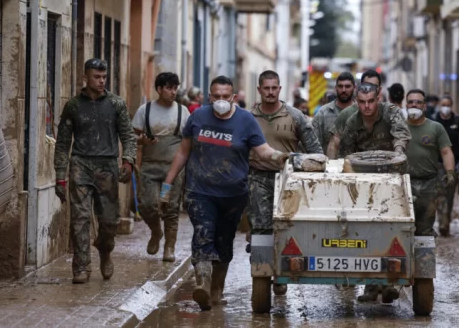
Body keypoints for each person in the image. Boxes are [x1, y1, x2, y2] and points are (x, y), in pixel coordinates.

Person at [163, 76, 291, 311]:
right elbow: (183, 153)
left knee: (224, 242)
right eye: (216, 96)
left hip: (233, 195)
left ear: (233, 97)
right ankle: (203, 282)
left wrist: (281, 157)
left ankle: (216, 291)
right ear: (210, 97)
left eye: (225, 96)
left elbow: (262, 150)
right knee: (203, 233)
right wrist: (167, 185)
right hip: (199, 190)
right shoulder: (197, 117)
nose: (221, 100)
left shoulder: (246, 120)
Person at [54, 58, 137, 284]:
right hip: (80, 164)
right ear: (85, 77)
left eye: (103, 77)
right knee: (80, 218)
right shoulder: (73, 106)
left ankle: (105, 250)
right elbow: (62, 143)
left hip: (107, 167)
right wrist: (60, 175)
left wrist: (128, 161)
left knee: (109, 221)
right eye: (96, 77)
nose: (101, 81)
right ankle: (81, 267)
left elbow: (128, 136)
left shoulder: (116, 104)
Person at [329, 81, 410, 302]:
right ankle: (372, 285)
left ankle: (389, 281)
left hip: (391, 179)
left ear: (379, 98)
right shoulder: (352, 121)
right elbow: (345, 154)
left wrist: (398, 155)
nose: (367, 107)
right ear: (357, 101)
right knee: (364, 231)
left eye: (371, 101)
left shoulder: (391, 113)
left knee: (393, 228)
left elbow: (401, 136)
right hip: (363, 183)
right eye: (362, 102)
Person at [248, 71, 322, 295]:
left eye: (274, 88)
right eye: (266, 88)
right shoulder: (247, 117)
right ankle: (262, 274)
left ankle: (282, 274)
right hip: (257, 179)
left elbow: (315, 151)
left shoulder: (295, 116)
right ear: (259, 90)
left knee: (287, 227)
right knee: (261, 230)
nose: (270, 92)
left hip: (289, 181)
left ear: (280, 89)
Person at [132, 72, 190, 262]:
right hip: (149, 167)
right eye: (169, 88)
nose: (173, 92)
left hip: (173, 170)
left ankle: (169, 247)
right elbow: (133, 137)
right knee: (147, 205)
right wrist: (143, 140)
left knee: (171, 208)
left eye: (175, 88)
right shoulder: (145, 110)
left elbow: (188, 142)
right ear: (159, 89)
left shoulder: (183, 112)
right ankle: (156, 232)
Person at [405, 89, 457, 237]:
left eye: (418, 102)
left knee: (424, 228)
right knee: (403, 227)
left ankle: (424, 258)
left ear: (425, 106)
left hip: (428, 186)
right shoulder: (398, 128)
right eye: (411, 102)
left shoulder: (435, 128)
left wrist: (450, 172)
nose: (414, 104)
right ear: (406, 105)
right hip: (403, 185)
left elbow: (446, 152)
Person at [326, 70, 389, 158]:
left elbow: (401, 139)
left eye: (374, 86)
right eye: (365, 86)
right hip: (356, 168)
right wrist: (332, 167)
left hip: (385, 167)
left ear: (380, 89)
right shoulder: (347, 114)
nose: (369, 89)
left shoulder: (389, 113)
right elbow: (334, 144)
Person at [434, 95, 459, 235]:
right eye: (443, 104)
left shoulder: (457, 121)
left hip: (453, 164)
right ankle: (443, 223)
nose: (445, 107)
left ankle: (446, 221)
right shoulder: (434, 120)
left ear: (451, 105)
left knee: (449, 194)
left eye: (448, 104)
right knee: (440, 193)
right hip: (438, 163)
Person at [312, 72, 356, 153]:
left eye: (347, 86)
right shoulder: (323, 113)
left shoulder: (360, 112)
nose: (344, 90)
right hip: (330, 164)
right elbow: (313, 143)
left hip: (355, 164)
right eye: (340, 86)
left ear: (354, 87)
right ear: (336, 88)